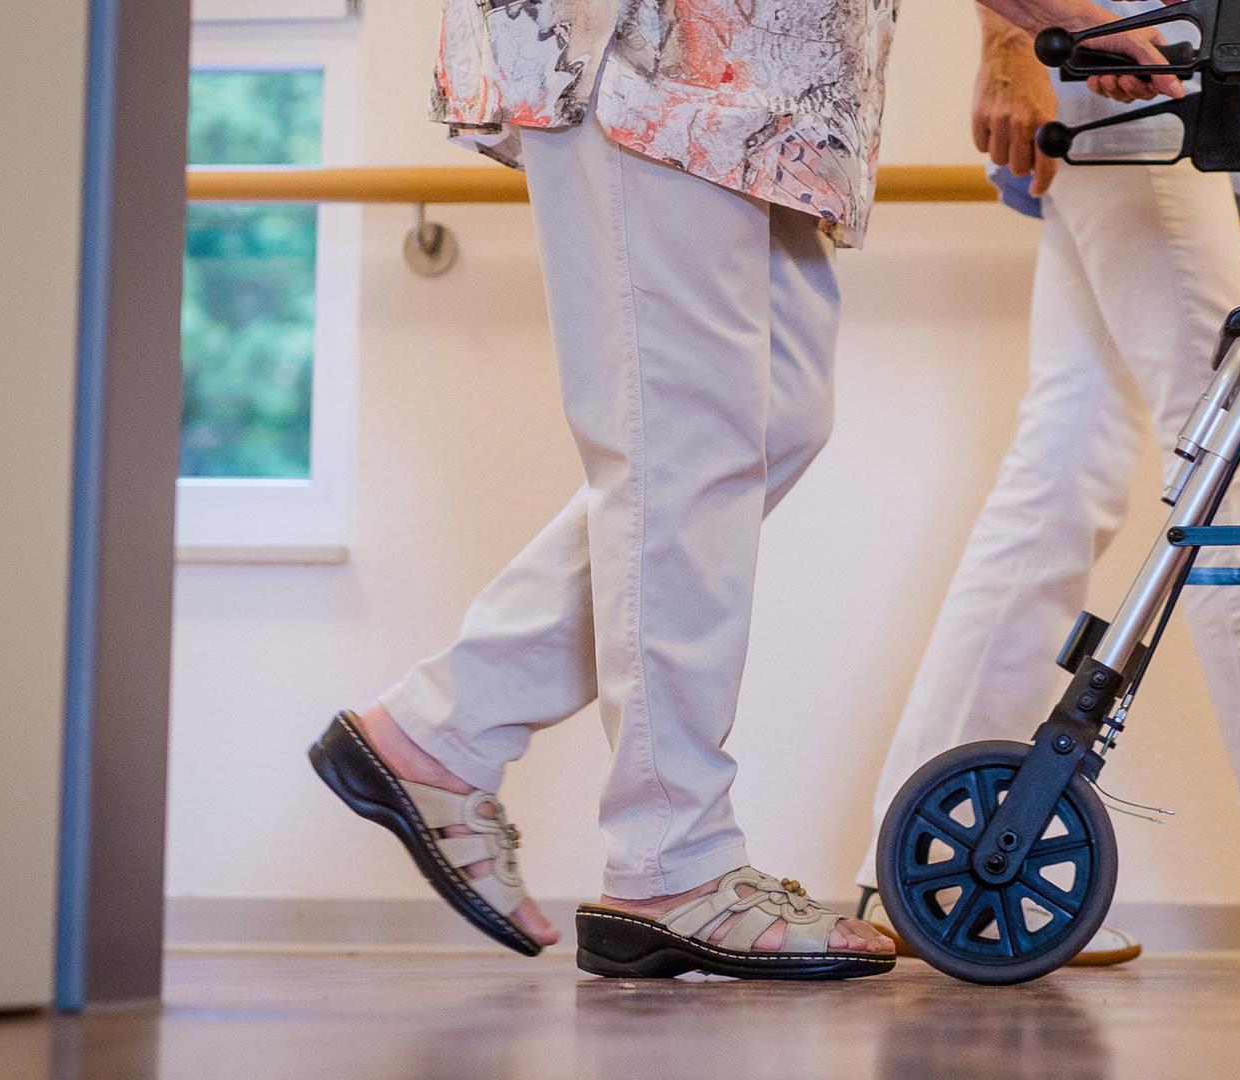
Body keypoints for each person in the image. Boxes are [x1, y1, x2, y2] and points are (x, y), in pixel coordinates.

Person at [307, 0, 1182, 981]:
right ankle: (671, 861)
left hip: (771, 86)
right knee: (686, 443)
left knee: (769, 421)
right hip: (657, 53)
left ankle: (440, 729)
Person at [854, 6, 1240, 971]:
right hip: (1133, 73)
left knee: (1065, 470)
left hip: (1168, 86)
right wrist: (1009, 39)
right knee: (1225, 463)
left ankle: (937, 863)